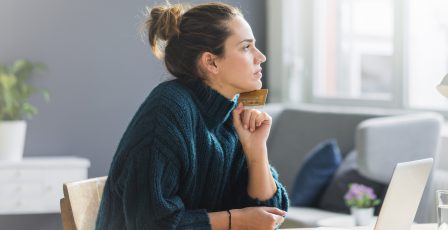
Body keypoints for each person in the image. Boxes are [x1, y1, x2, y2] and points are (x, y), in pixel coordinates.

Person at [96, 2, 289, 230]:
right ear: (211, 62)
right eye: (246, 47)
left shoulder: (233, 116)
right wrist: (235, 220)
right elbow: (150, 222)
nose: (261, 57)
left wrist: (256, 150)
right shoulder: (168, 109)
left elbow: (271, 215)